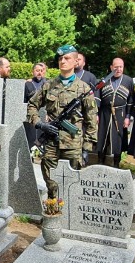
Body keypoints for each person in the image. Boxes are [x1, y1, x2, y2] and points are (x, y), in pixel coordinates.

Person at [27, 44, 98, 199]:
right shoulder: (49, 85)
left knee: (73, 180)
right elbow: (32, 105)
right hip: (51, 141)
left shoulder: (83, 88)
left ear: (75, 62)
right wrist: (40, 123)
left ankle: (70, 212)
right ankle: (53, 207)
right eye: (60, 59)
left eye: (67, 58)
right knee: (50, 177)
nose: (63, 61)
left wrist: (86, 148)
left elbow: (91, 119)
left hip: (73, 143)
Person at [95, 57, 135, 168]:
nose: (118, 69)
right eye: (116, 67)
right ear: (111, 67)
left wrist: (127, 116)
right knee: (102, 137)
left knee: (118, 138)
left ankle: (116, 164)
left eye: (121, 67)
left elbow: (131, 100)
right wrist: (96, 114)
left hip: (120, 113)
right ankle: (100, 162)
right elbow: (97, 97)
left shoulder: (128, 81)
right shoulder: (104, 80)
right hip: (104, 113)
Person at [24, 62, 48, 148]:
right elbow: (23, 102)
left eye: (41, 70)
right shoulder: (27, 84)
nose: (39, 72)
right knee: (31, 141)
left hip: (44, 118)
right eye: (37, 70)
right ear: (33, 72)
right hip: (32, 118)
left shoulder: (48, 84)